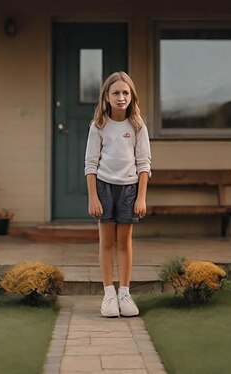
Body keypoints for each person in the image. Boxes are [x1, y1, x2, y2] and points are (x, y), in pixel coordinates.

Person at [84, 71, 151, 317]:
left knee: (124, 243)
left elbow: (144, 164)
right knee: (107, 242)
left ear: (131, 96)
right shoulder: (98, 125)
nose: (121, 97)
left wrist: (141, 197)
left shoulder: (137, 126)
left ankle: (124, 292)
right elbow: (90, 164)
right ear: (107, 97)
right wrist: (93, 196)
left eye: (125, 92)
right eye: (116, 93)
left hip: (129, 190)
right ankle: (108, 294)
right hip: (104, 188)